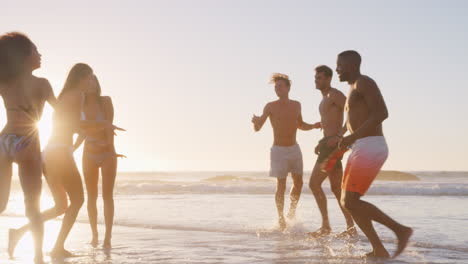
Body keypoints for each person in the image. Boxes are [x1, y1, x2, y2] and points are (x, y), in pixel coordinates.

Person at [335, 50, 412, 258]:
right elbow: (355, 119)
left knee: (351, 201)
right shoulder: (353, 87)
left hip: (370, 145)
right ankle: (378, 249)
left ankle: (400, 230)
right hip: (360, 145)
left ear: (351, 65)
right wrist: (344, 139)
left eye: (339, 66)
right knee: (347, 202)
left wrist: (353, 137)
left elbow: (381, 113)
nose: (336, 70)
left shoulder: (363, 82)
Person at [0, 32, 56, 264]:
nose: (40, 54)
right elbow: (62, 112)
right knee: (32, 204)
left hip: (4, 141)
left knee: (0, 203)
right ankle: (38, 257)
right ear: (24, 56)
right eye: (35, 50)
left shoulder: (4, 82)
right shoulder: (42, 84)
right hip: (28, 142)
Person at [252, 73, 321, 230]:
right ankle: (281, 218)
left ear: (288, 88)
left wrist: (314, 126)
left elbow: (301, 124)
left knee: (299, 182)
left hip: (294, 148)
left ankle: (291, 213)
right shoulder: (270, 106)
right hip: (278, 151)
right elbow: (258, 128)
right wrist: (255, 122)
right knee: (281, 185)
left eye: (280, 86)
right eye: (276, 87)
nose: (278, 89)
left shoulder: (297, 105)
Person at [73, 75, 123, 248]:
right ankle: (94, 236)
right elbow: (82, 131)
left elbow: (109, 125)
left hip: (107, 152)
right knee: (91, 196)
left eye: (93, 80)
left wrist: (111, 148)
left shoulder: (105, 101)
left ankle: (107, 238)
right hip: (88, 154)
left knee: (107, 196)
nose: (90, 84)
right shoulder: (80, 105)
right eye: (87, 81)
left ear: (97, 83)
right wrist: (72, 148)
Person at [308, 65, 355, 238]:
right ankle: (351, 228)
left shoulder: (334, 94)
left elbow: (352, 112)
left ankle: (326, 226)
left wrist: (339, 136)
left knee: (314, 184)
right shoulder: (325, 97)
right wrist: (323, 141)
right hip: (329, 146)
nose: (316, 80)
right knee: (336, 189)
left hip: (333, 147)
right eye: (315, 78)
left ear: (328, 78)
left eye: (319, 78)